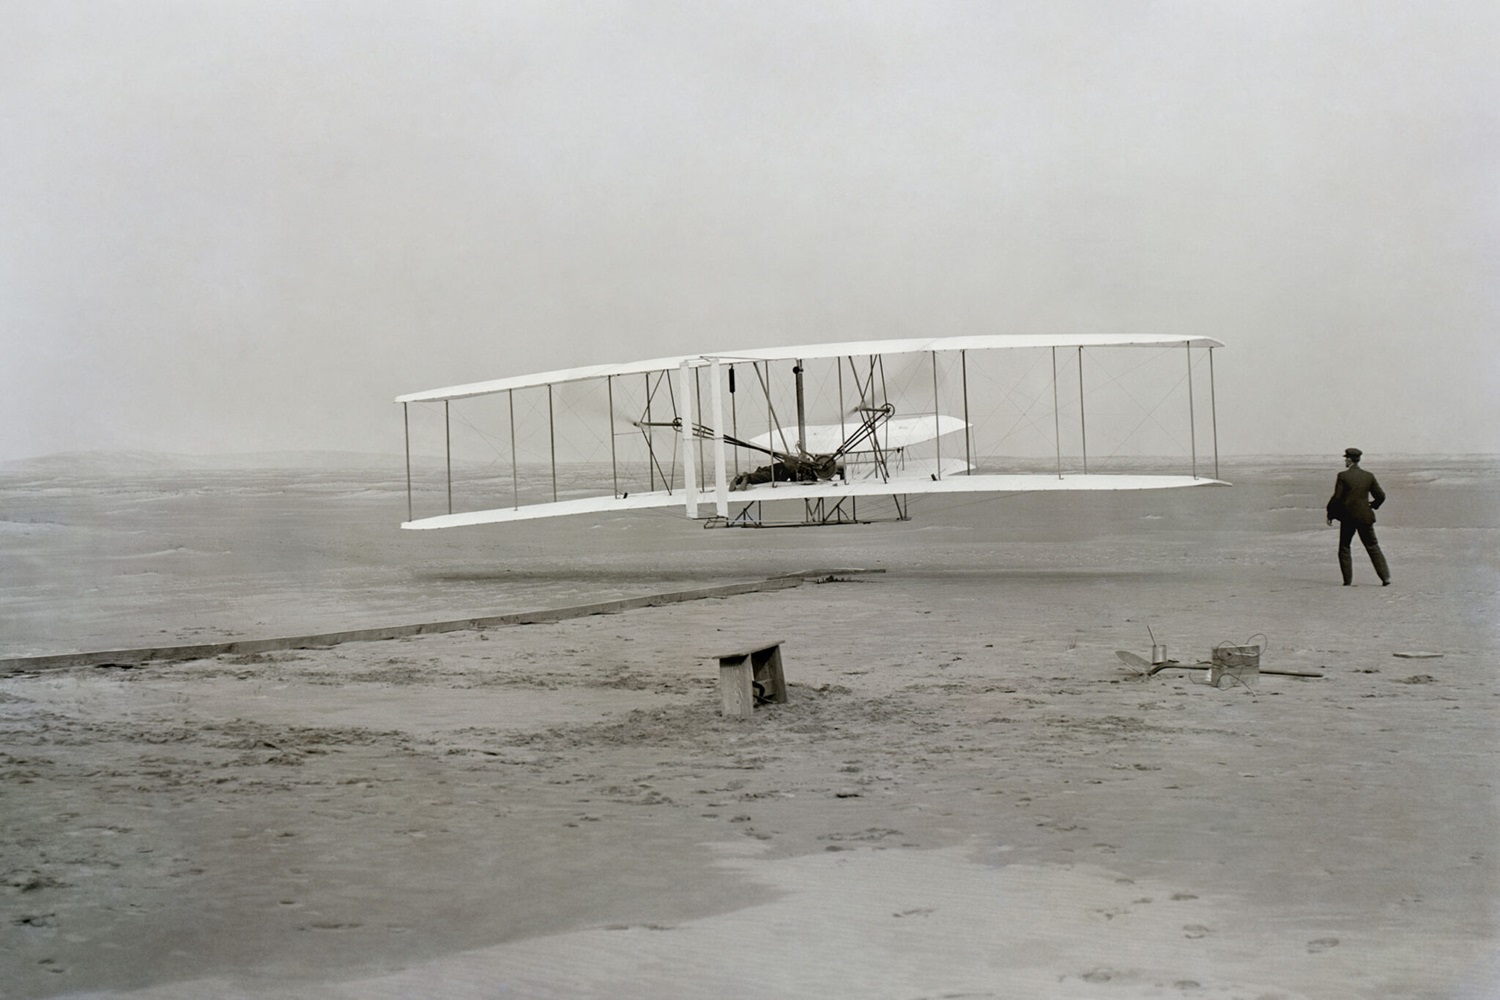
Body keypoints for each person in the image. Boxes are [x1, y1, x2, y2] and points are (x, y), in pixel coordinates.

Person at [1325, 447, 1391, 586]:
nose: (1345, 460)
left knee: (1344, 547)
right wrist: (1373, 505)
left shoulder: (1343, 476)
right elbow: (1381, 496)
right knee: (1373, 546)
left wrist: (1330, 513)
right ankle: (1385, 578)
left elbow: (1337, 498)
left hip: (1348, 518)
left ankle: (1347, 581)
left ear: (1349, 459)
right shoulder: (1369, 476)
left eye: (1345, 458)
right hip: (1365, 517)